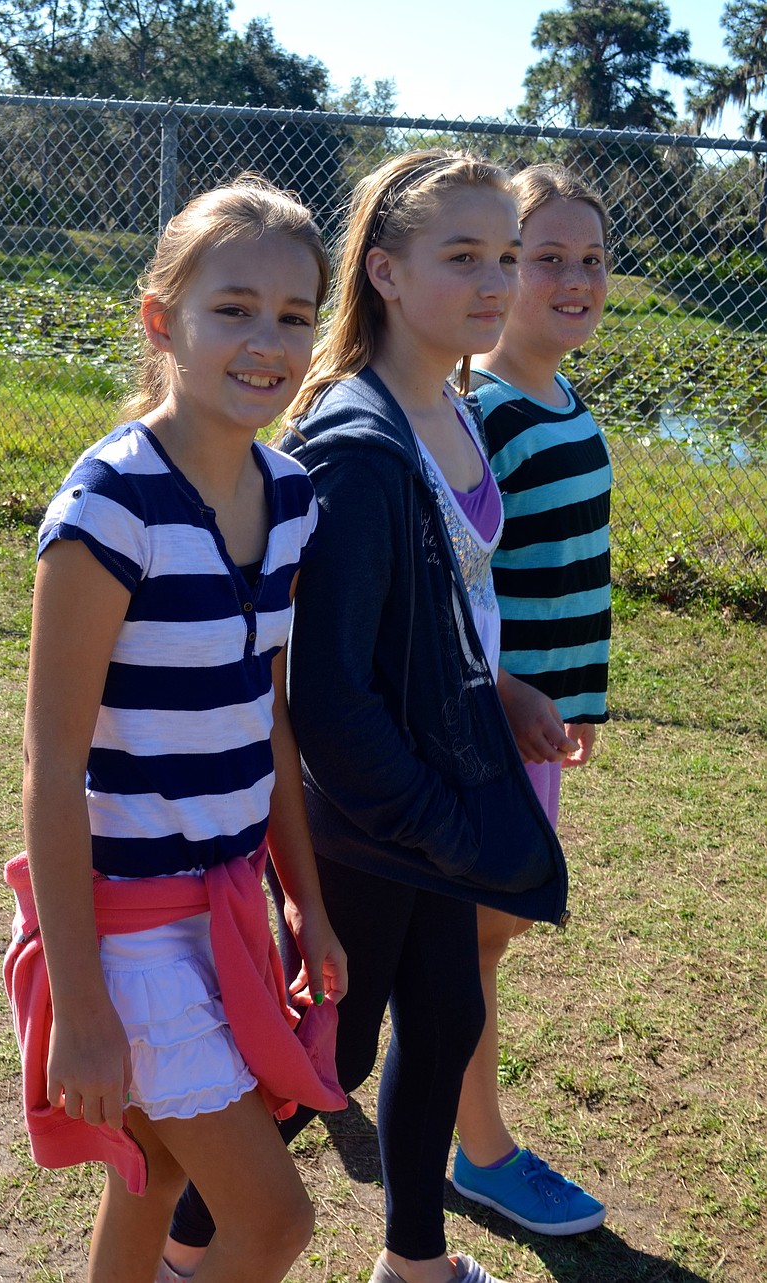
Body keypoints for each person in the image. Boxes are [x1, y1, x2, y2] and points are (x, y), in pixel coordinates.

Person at [162, 149, 570, 1283]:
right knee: (326, 1051)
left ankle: (415, 1263)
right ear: (385, 272)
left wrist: (501, 690)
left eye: (507, 256)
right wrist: (434, 820)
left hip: (435, 788)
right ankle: (183, 1253)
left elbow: (430, 613)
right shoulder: (358, 442)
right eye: (462, 256)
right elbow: (330, 693)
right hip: (375, 814)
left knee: (443, 1019)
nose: (496, 282)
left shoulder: (453, 408)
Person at [5, 175, 350, 1283]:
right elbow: (52, 767)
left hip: (228, 907)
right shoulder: (109, 505)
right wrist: (85, 1006)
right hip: (128, 934)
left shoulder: (292, 497)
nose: (268, 341)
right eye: (233, 309)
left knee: (150, 1175)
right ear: (162, 320)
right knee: (272, 1222)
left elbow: (266, 718)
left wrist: (304, 899)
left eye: (293, 316)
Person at [451, 163, 612, 1236]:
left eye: (591, 259)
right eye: (545, 257)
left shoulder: (565, 399)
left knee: (487, 932)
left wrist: (578, 695)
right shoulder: (481, 414)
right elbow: (454, 588)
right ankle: (479, 1149)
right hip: (487, 729)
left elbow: (570, 571)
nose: (574, 278)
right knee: (474, 936)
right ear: (500, 274)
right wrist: (509, 689)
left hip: (540, 730)